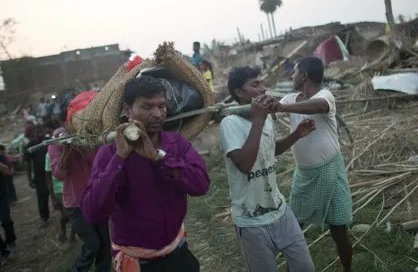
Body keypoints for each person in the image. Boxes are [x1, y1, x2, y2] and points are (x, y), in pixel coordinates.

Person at [80, 75, 210, 272]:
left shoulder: (176, 144)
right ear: (127, 110)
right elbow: (93, 212)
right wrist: (121, 157)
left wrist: (158, 158)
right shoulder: (109, 154)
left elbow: (201, 185)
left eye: (161, 106)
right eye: (147, 107)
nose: (157, 113)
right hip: (139, 264)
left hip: (178, 254)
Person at [219, 66, 316, 272]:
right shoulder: (230, 123)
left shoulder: (265, 119)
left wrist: (296, 135)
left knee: (305, 267)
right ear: (238, 92)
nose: (263, 89)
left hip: (280, 210)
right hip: (251, 221)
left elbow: (269, 151)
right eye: (255, 85)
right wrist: (258, 120)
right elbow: (245, 165)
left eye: (262, 83)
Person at [272, 56, 354, 272]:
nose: (292, 76)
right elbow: (275, 106)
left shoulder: (325, 95)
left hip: (330, 171)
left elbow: (317, 106)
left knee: (338, 229)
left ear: (304, 75)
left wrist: (282, 107)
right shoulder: (290, 98)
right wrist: (272, 105)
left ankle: (348, 270)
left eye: (295, 71)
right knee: (294, 230)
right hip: (305, 175)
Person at [49, 128, 110, 271]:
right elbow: (59, 173)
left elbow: (99, 163)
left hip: (95, 200)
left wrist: (84, 148)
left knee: (105, 245)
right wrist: (67, 148)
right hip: (76, 204)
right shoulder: (55, 143)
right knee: (92, 244)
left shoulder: (89, 136)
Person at [45, 128, 75, 244]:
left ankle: (72, 236)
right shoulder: (50, 154)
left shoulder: (73, 149)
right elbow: (48, 176)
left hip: (72, 188)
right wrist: (52, 197)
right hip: (59, 190)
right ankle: (62, 226)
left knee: (74, 216)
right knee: (67, 215)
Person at [23, 124, 50, 226]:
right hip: (40, 175)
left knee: (59, 193)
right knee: (42, 196)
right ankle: (44, 217)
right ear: (34, 134)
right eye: (37, 133)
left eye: (41, 132)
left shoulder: (49, 141)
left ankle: (65, 214)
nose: (40, 135)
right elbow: (27, 163)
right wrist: (30, 179)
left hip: (52, 172)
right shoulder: (30, 145)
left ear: (44, 131)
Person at [0, 149, 16, 266]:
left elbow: (7, 170)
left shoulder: (0, 157)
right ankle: (3, 252)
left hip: (1, 196)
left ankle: (11, 240)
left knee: (6, 220)